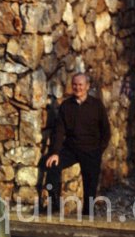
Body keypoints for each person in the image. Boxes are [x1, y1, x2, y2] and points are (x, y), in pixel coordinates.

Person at [45, 73, 110, 216]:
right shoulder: (66, 106)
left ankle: (88, 216)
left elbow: (106, 130)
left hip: (91, 151)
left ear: (87, 86)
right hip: (71, 149)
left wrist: (99, 150)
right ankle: (54, 204)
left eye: (80, 85)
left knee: (90, 186)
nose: (77, 87)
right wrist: (55, 152)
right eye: (74, 84)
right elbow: (59, 131)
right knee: (51, 165)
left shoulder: (97, 105)